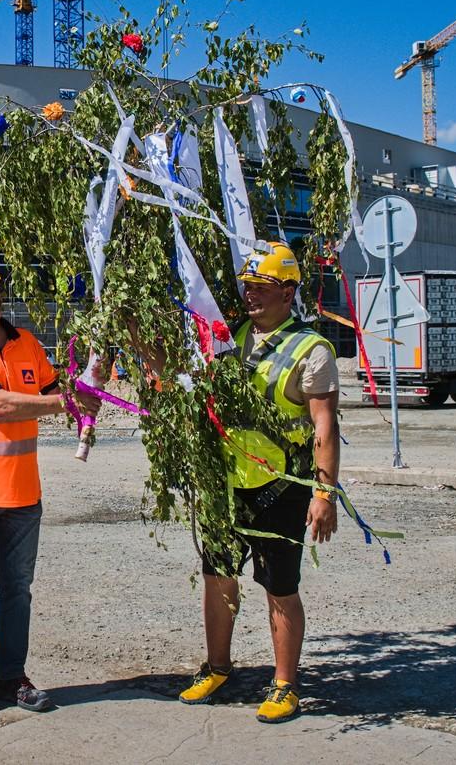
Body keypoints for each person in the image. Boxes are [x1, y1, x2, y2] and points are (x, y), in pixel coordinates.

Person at [170, 243, 341, 723]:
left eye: (261, 287)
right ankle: (217, 667)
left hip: (280, 489)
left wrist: (324, 493)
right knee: (217, 577)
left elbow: (325, 428)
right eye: (247, 286)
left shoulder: (312, 350)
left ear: (287, 293)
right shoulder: (231, 334)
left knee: (279, 586)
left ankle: (285, 685)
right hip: (227, 485)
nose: (250, 295)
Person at [0, 252, 98, 723]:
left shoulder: (27, 343)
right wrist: (66, 402)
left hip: (23, 495)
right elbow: (2, 406)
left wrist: (86, 388)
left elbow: (52, 391)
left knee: (17, 592)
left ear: (0, 296)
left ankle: (11, 678)